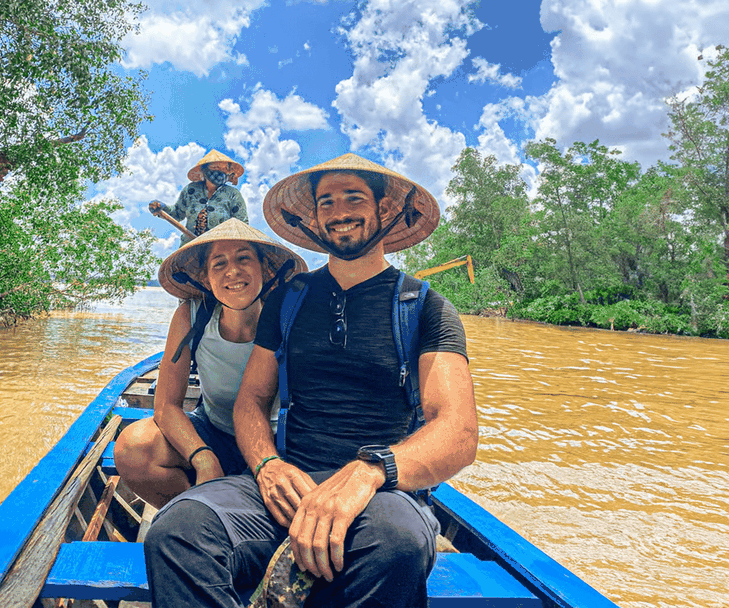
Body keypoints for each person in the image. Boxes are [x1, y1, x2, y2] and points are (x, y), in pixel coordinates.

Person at [143, 153, 478, 608]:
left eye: (353, 197)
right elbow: (251, 402)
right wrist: (266, 466)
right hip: (289, 483)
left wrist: (368, 471)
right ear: (315, 220)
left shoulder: (424, 307)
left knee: (396, 545)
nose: (339, 211)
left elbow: (456, 432)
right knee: (176, 531)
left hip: (381, 495)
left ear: (384, 211)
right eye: (326, 202)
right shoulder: (288, 301)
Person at [114, 218, 307, 508]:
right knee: (134, 448)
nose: (233, 271)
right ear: (206, 279)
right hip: (214, 431)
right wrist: (203, 458)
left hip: (277, 442)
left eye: (244, 259)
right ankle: (198, 509)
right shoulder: (193, 316)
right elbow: (166, 406)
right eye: (219, 264)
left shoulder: (289, 318)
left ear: (265, 271)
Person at [150, 149, 248, 245]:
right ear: (205, 170)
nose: (219, 172)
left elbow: (242, 225)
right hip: (190, 247)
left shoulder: (232, 194)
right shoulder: (190, 190)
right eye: (215, 168)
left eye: (223, 169)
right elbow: (177, 213)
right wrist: (162, 207)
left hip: (220, 250)